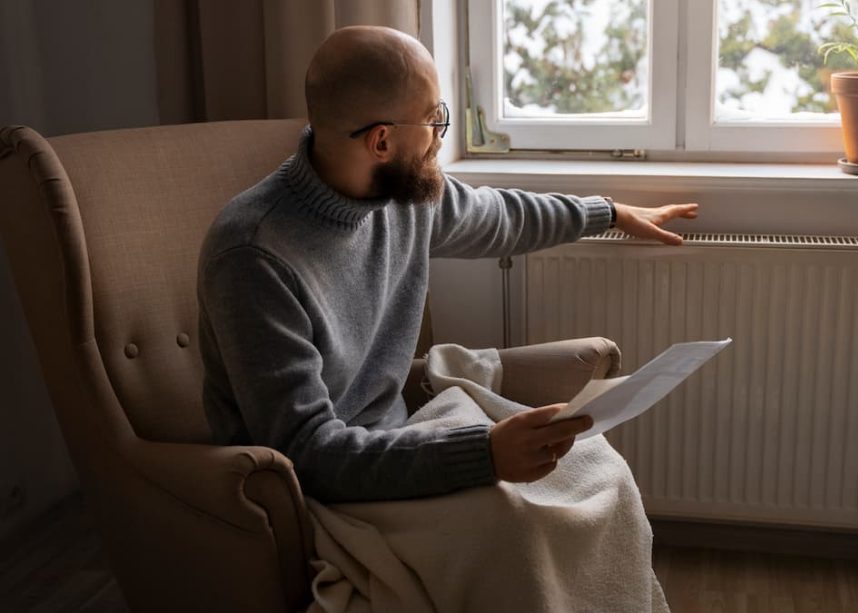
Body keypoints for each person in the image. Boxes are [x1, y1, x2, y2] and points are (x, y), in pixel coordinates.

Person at [197, 25, 698, 504]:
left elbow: (502, 216)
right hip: (319, 492)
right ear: (382, 142)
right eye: (434, 118)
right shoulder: (253, 256)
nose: (440, 135)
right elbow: (305, 452)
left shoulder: (400, 195)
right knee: (527, 521)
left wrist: (608, 212)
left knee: (596, 475)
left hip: (398, 441)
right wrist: (482, 455)